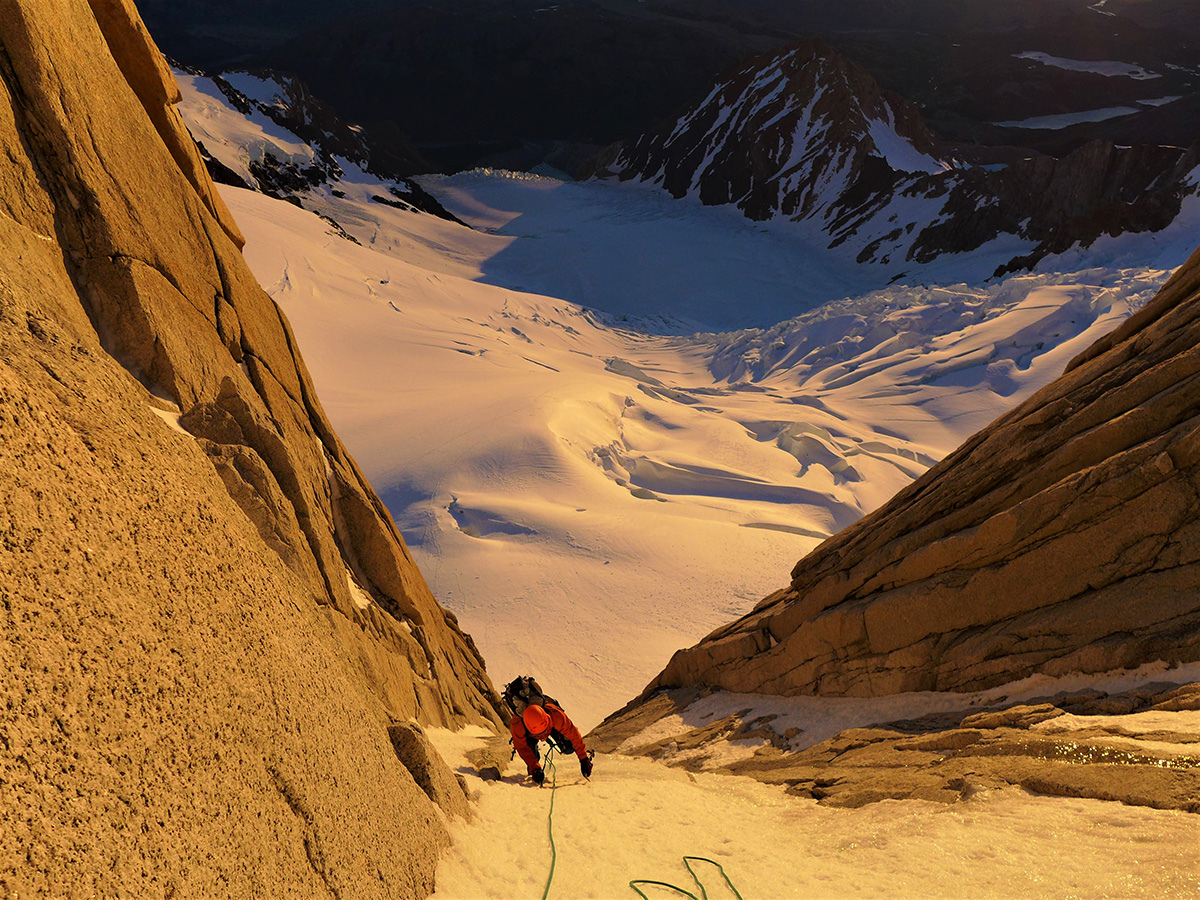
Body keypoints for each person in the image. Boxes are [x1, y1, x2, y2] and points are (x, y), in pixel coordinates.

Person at [504, 676, 594, 784]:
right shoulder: (518, 724)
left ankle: (542, 748)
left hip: (548, 728)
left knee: (569, 747)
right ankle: (534, 758)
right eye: (540, 734)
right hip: (530, 735)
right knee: (532, 757)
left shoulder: (555, 714)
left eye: (544, 732)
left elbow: (573, 734)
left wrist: (583, 759)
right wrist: (535, 768)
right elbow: (522, 747)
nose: (543, 738)